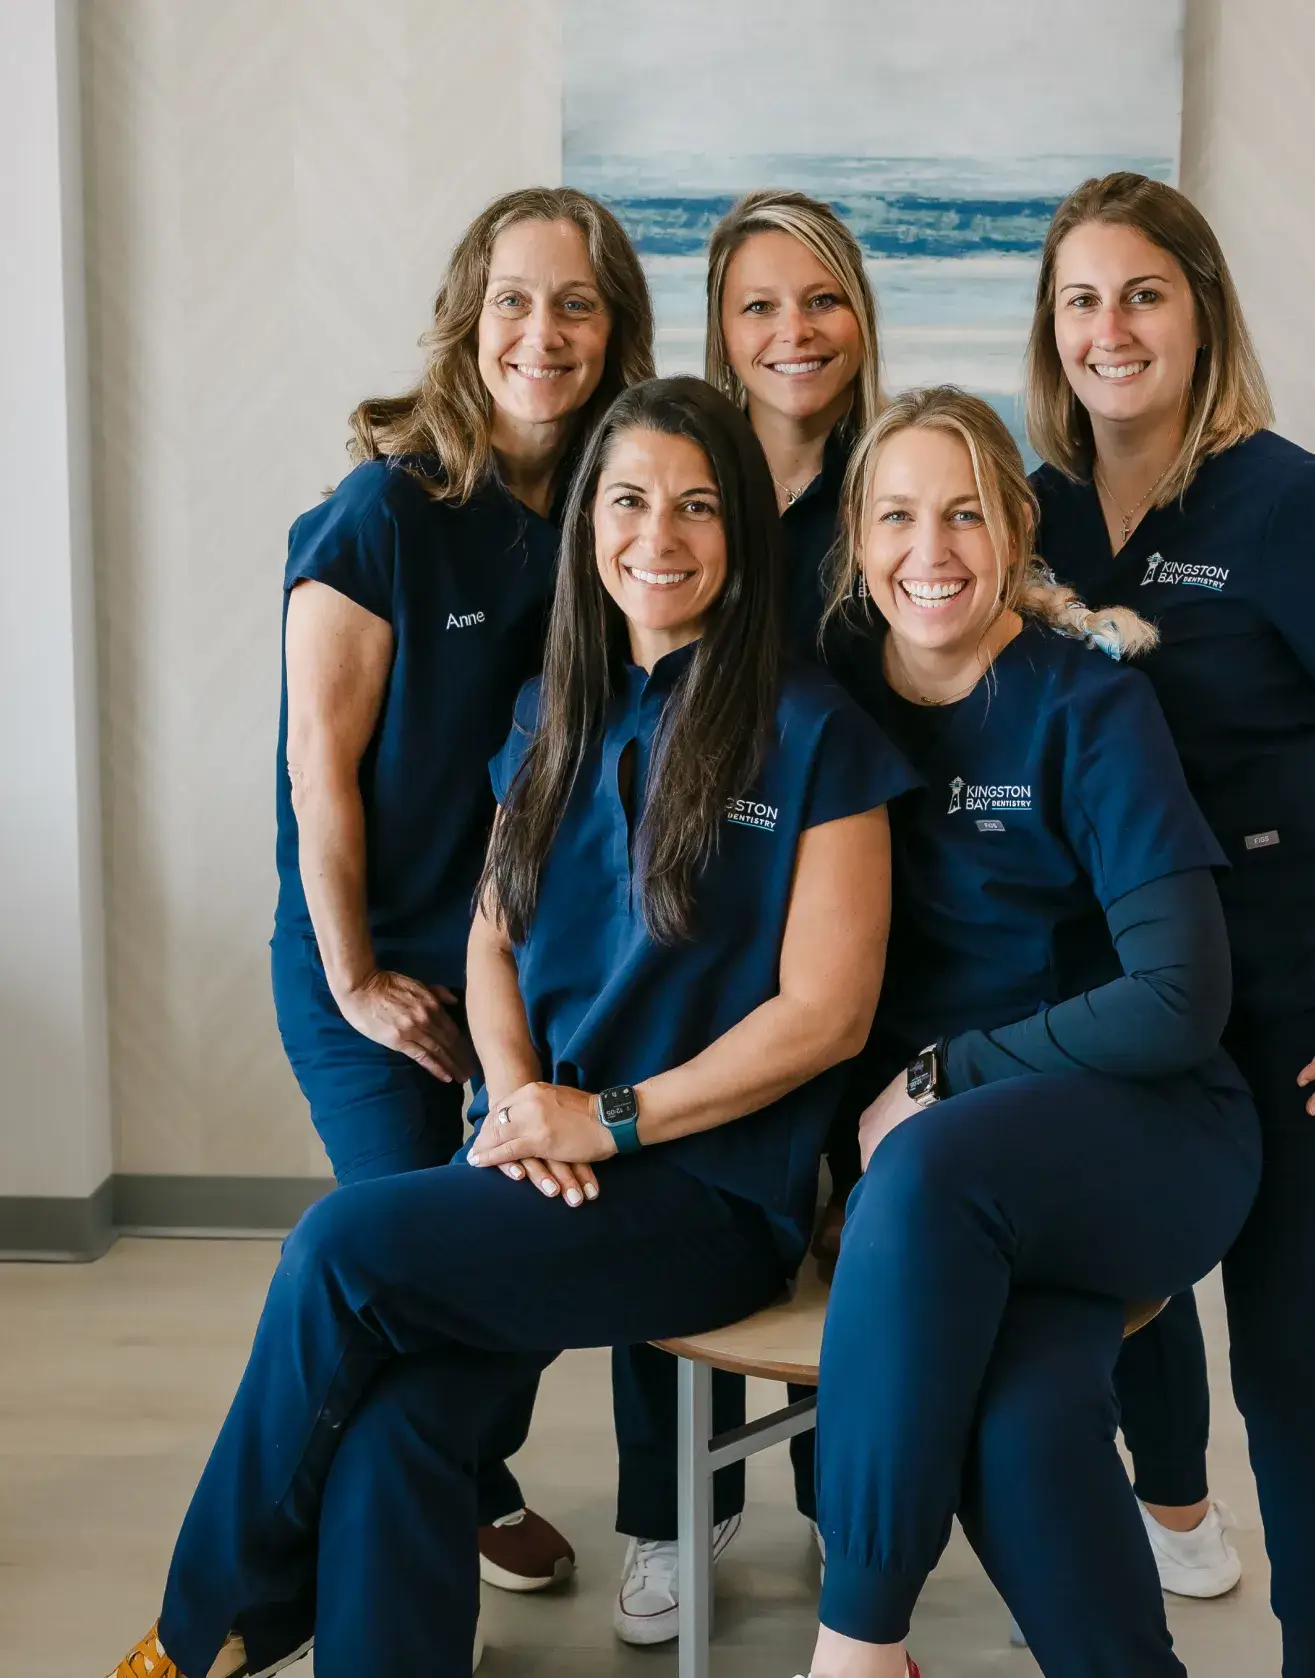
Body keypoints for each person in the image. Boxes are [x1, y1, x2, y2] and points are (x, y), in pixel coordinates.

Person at [103, 377, 916, 1678]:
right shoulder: (555, 707)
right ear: (590, 519)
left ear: (743, 536)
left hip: (705, 1196)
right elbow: (493, 931)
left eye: (700, 505)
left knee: (341, 1247)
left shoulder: (815, 729)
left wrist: (607, 1117)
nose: (662, 532)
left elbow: (828, 1015)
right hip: (544, 1154)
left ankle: (208, 1628)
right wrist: (517, 1100)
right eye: (632, 498)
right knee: (398, 1429)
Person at [1026, 173, 1315, 1678]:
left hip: (1313, 1001)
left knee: (1288, 1345)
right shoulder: (1033, 517)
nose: (1111, 328)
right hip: (1141, 995)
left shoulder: (1287, 501)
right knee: (1124, 1310)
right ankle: (1156, 1551)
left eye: (1142, 292)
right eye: (1081, 298)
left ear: (1200, 309)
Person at [799, 386, 1263, 1678]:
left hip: (1146, 1132)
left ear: (1013, 525)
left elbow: (1179, 997)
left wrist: (951, 1071)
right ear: (856, 531)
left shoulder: (1084, 707)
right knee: (1025, 1415)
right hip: (962, 1188)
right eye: (895, 514)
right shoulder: (825, 692)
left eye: (962, 512)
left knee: (933, 1159)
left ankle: (857, 1646)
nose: (928, 548)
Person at [270, 185, 654, 1610]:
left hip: (518, 964)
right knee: (400, 1262)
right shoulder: (381, 512)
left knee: (520, 1246)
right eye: (513, 298)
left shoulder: (607, 521)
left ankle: (465, 1468)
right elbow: (323, 773)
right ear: (466, 316)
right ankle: (349, 1554)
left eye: (573, 302)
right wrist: (362, 979)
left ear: (612, 329)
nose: (540, 332)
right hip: (362, 959)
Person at [610, 188, 886, 1644]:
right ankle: (666, 1516)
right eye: (758, 304)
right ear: (718, 324)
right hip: (691, 924)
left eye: (820, 298)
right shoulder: (674, 481)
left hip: (855, 908)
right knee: (656, 1163)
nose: (793, 332)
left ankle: (854, 1523)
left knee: (854, 1238)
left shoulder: (893, 480)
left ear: (860, 315)